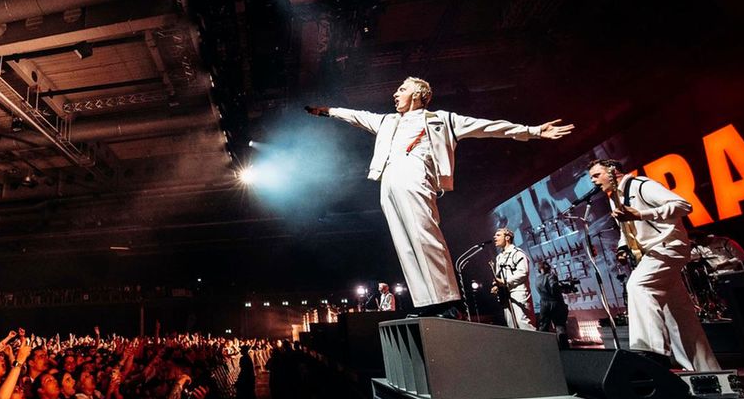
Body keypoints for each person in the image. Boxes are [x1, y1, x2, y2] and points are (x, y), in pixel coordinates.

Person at [306, 79, 573, 316]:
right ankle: (426, 303)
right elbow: (357, 116)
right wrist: (329, 111)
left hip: (415, 173)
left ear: (418, 94)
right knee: (405, 243)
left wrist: (532, 131)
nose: (395, 94)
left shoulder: (441, 119)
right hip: (387, 179)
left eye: (402, 89)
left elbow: (487, 127)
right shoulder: (387, 121)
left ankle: (448, 301)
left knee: (425, 235)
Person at [587, 159, 720, 371]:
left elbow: (684, 205)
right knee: (678, 315)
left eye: (596, 175)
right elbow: (627, 229)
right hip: (652, 252)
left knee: (638, 286)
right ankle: (707, 371)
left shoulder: (641, 185)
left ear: (613, 172)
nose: (593, 181)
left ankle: (651, 354)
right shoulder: (615, 198)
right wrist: (623, 247)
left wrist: (643, 214)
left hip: (667, 246)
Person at [490, 228, 536, 330]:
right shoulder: (499, 257)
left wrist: (504, 281)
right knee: (511, 325)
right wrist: (497, 286)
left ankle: (534, 345)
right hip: (505, 294)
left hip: (518, 292)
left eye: (498, 235)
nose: (495, 237)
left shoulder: (518, 253)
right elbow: (499, 277)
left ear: (507, 238)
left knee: (523, 322)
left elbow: (523, 273)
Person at [535, 261, 570, 343]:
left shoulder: (537, 279)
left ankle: (544, 347)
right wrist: (563, 288)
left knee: (543, 327)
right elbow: (554, 288)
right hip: (555, 304)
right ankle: (565, 350)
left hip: (544, 304)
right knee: (560, 326)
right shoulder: (551, 276)